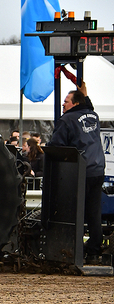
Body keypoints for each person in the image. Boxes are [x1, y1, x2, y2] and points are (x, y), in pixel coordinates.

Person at [47, 82, 105, 263]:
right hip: (97, 170)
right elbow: (88, 107)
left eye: (66, 101)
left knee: (74, 213)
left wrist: (46, 150)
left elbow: (57, 145)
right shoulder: (93, 116)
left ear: (75, 104)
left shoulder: (66, 120)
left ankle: (75, 250)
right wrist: (85, 96)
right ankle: (95, 250)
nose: (63, 104)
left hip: (80, 171)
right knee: (94, 213)